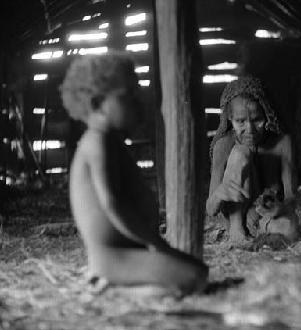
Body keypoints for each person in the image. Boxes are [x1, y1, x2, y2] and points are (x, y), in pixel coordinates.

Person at [60, 53, 208, 294]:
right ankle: (110, 290)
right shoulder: (96, 142)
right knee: (194, 278)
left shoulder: (110, 141)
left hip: (126, 249)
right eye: (128, 97)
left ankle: (114, 284)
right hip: (112, 256)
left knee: (199, 271)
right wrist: (154, 242)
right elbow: (112, 203)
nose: (139, 103)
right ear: (97, 104)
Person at [206, 76, 298, 246]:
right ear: (229, 120)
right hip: (237, 218)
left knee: (290, 230)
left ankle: (263, 237)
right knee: (241, 153)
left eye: (257, 120)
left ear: (267, 114)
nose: (250, 129)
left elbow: (291, 197)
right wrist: (221, 192)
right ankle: (236, 230)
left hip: (268, 217)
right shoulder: (223, 145)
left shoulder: (282, 143)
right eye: (240, 121)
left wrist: (279, 208)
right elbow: (211, 209)